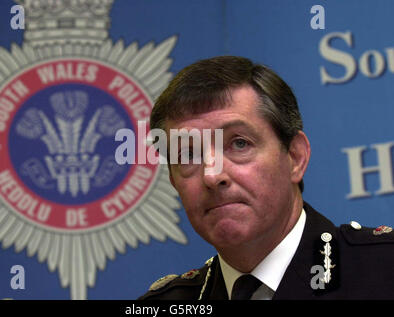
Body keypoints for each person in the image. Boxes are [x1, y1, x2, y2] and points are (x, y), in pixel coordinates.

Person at [138, 56, 394, 300]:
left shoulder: (383, 272)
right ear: (173, 181)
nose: (212, 175)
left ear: (295, 157)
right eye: (189, 154)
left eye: (239, 144)